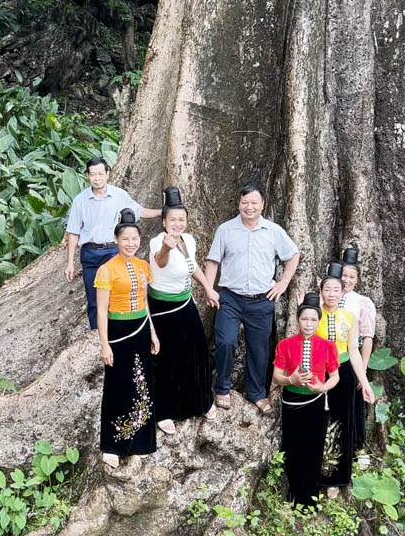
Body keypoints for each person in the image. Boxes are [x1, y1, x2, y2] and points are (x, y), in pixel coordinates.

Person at [204, 183, 300, 414]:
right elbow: (213, 261)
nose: (249, 207)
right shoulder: (225, 230)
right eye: (245, 202)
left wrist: (283, 283)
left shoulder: (273, 231)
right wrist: (209, 288)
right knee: (225, 341)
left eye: (254, 203)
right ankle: (222, 388)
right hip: (230, 298)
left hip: (261, 299)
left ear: (262, 205)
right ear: (239, 204)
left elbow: (293, 255)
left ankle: (257, 393)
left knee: (259, 349)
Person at [148, 187, 219, 433]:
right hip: (163, 307)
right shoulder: (158, 242)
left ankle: (202, 402)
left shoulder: (189, 240)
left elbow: (193, 266)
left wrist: (208, 288)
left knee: (198, 350)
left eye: (181, 219)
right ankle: (165, 412)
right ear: (164, 222)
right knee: (168, 358)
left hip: (186, 301)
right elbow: (160, 261)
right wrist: (167, 247)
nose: (177, 224)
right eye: (173, 220)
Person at [65, 156, 161, 333]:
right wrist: (70, 262)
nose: (97, 178)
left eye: (100, 174)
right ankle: (97, 334)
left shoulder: (119, 195)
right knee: (94, 297)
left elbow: (140, 211)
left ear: (107, 174)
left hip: (113, 252)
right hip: (90, 253)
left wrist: (164, 213)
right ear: (88, 176)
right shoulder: (81, 200)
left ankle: (117, 331)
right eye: (93, 174)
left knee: (116, 294)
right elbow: (73, 232)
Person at [94, 209, 159, 469]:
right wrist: (104, 343)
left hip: (141, 328)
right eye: (125, 239)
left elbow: (145, 302)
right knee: (117, 385)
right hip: (118, 332)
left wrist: (153, 332)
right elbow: (101, 310)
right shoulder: (106, 270)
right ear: (117, 240)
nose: (130, 243)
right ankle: (112, 445)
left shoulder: (144, 267)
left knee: (142, 384)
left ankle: (141, 442)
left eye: (134, 239)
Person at [272, 292, 340, 506]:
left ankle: (309, 498)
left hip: (316, 403)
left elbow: (335, 376)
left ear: (318, 321)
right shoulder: (285, 344)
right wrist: (290, 379)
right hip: (292, 402)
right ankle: (293, 493)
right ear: (297, 319)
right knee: (292, 447)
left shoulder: (328, 346)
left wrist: (322, 386)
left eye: (313, 319)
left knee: (313, 448)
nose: (308, 324)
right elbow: (276, 376)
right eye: (304, 319)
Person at [314, 265, 375, 497]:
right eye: (327, 289)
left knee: (342, 421)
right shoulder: (314, 315)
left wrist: (365, 382)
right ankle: (315, 474)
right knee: (320, 420)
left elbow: (354, 351)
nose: (331, 294)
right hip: (319, 372)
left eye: (335, 290)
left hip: (344, 371)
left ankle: (335, 479)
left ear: (342, 294)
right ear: (321, 292)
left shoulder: (349, 317)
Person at [337, 248, 378, 451]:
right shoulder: (326, 295)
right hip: (331, 356)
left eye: (352, 276)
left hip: (353, 357)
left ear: (357, 279)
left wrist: (362, 367)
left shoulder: (362, 302)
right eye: (343, 275)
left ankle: (358, 446)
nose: (347, 280)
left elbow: (368, 337)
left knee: (355, 404)